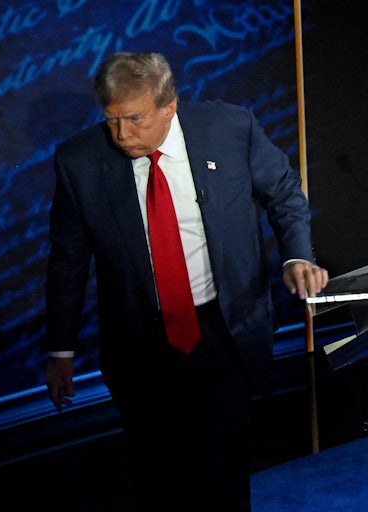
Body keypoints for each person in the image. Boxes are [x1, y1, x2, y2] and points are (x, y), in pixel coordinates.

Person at [43, 51, 329, 511]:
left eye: (135, 119)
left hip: (223, 331)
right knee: (159, 481)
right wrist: (61, 350)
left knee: (224, 476)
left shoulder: (229, 129)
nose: (122, 134)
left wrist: (297, 255)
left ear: (168, 107)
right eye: (112, 120)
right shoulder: (79, 161)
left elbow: (283, 194)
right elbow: (67, 262)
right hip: (141, 345)